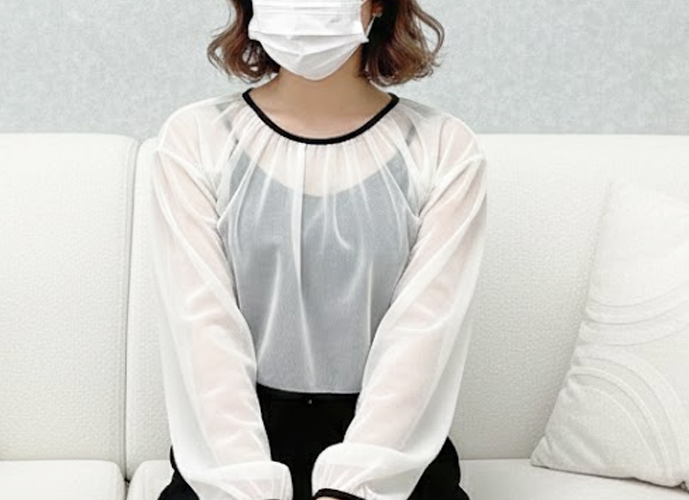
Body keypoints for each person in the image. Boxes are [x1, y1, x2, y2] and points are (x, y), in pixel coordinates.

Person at [149, 0, 488, 499]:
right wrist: (246, 481)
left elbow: (424, 331)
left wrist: (351, 487)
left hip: (391, 458)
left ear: (378, 5)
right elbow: (202, 327)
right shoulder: (197, 139)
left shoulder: (442, 148)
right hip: (232, 456)